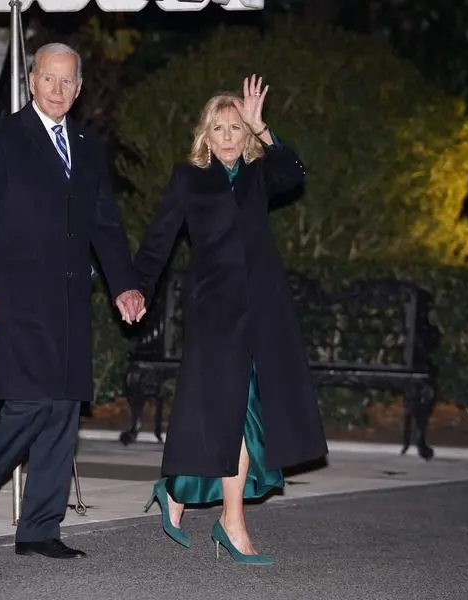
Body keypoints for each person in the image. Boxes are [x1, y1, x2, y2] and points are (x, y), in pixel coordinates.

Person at [0, 42, 145, 560]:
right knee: (33, 401)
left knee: (63, 409)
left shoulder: (87, 145)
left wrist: (124, 283)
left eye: (68, 81)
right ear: (31, 82)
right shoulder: (2, 139)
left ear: (79, 89)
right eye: (48, 79)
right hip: (14, 296)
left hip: (69, 299)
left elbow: (104, 223)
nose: (57, 89)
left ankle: (39, 527)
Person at [133, 75, 328, 565]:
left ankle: (179, 491)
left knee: (239, 412)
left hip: (262, 310)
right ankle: (231, 521)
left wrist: (265, 129)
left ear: (245, 136)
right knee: (232, 409)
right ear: (205, 134)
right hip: (215, 311)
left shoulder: (260, 175)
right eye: (218, 127)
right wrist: (136, 288)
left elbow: (295, 172)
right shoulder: (188, 178)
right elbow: (159, 240)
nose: (227, 135)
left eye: (236, 128)